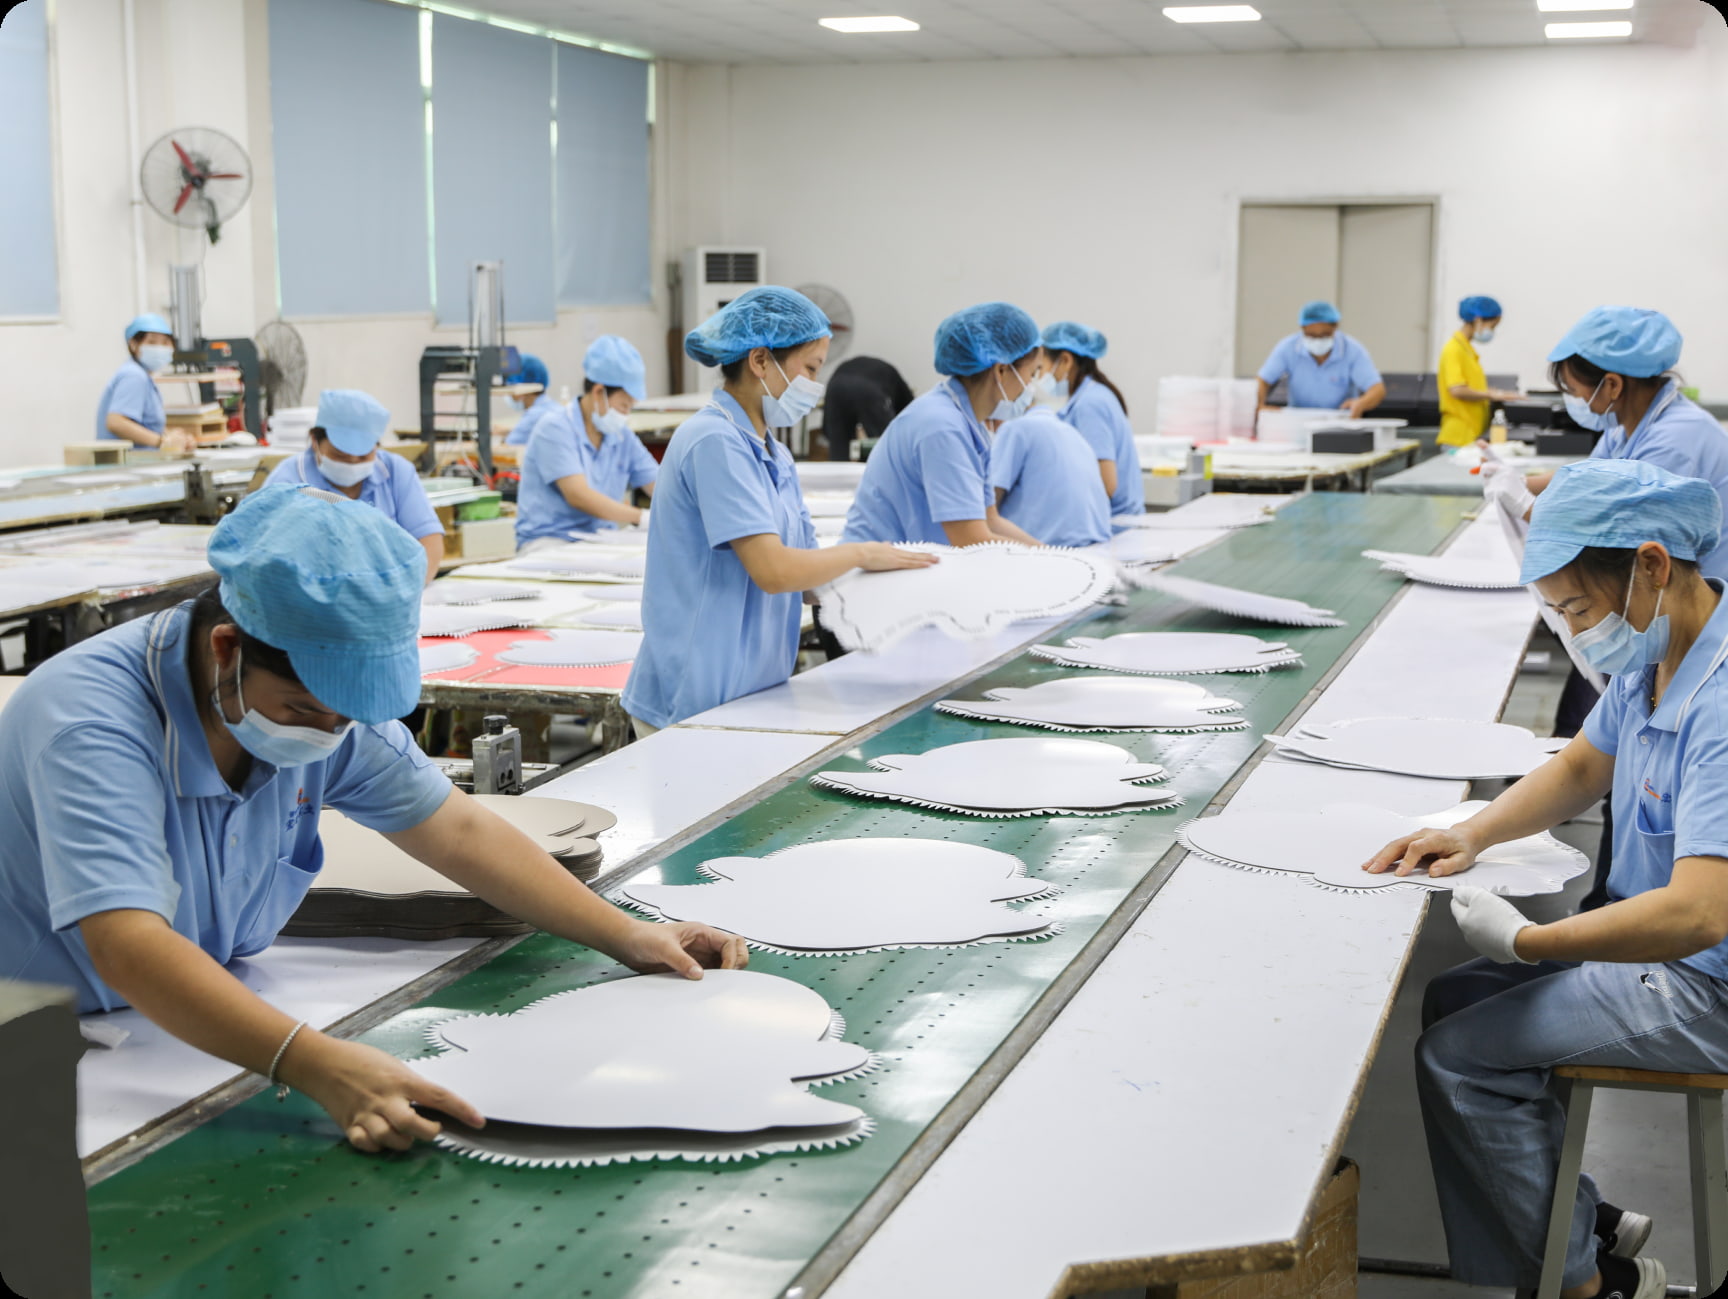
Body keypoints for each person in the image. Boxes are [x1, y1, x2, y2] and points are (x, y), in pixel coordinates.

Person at [0, 485, 746, 1153]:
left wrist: (627, 931)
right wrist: (315, 1061)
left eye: (345, 716)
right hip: (49, 1052)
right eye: (303, 710)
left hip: (191, 1035)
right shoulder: (91, 722)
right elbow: (128, 943)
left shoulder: (326, 707)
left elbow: (455, 828)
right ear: (226, 649)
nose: (327, 734)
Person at [1362, 458, 1728, 1299]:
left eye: (1577, 608)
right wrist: (1469, 831)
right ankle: (1578, 1215)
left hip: (1705, 984)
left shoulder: (1719, 698)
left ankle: (1589, 1283)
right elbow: (1579, 768)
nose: (1574, 631)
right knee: (1454, 999)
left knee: (1459, 1060)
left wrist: (1530, 940)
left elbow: (1702, 914)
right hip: (1659, 945)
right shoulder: (1659, 647)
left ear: (1652, 564)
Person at [621, 287, 936, 734]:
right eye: (809, 368)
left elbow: (807, 582)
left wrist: (901, 589)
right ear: (760, 361)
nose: (815, 385)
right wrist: (862, 555)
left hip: (751, 691)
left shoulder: (775, 455)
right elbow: (773, 571)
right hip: (693, 695)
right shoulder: (714, 441)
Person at [840, 303, 1045, 548]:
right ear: (1001, 371)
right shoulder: (942, 426)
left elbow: (990, 521)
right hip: (879, 573)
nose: (1030, 387)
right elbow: (971, 540)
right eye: (1031, 374)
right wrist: (1044, 563)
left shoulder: (969, 424)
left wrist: (1052, 556)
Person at [264, 389, 445, 584]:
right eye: (339, 455)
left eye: (363, 456)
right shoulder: (288, 481)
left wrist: (405, 590)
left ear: (377, 446)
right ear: (315, 441)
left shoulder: (396, 471)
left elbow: (429, 540)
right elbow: (268, 557)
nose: (351, 462)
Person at [515, 337, 657, 551]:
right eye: (623, 405)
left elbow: (658, 484)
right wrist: (642, 517)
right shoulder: (554, 428)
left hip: (601, 541)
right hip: (551, 542)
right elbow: (579, 496)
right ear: (599, 392)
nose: (626, 413)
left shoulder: (621, 436)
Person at [1043, 321, 1144, 518]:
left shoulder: (1090, 404)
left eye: (1041, 367)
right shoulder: (1094, 395)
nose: (1040, 375)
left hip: (1113, 526)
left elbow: (1106, 485)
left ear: (1065, 360)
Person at [989, 403, 1113, 549]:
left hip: (1048, 551)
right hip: (1098, 548)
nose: (990, 428)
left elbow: (987, 504)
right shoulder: (1073, 433)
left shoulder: (1015, 428)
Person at [1255, 300, 1386, 418]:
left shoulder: (1352, 350)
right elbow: (1263, 380)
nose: (1318, 341)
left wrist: (1361, 403)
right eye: (1311, 336)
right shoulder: (1288, 348)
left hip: (1340, 423)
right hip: (1298, 423)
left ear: (1335, 328)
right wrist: (1258, 404)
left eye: (1324, 336)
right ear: (1302, 328)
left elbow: (1377, 389)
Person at [96, 314, 195, 452]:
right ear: (134, 344)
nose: (160, 348)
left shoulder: (143, 376)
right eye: (152, 342)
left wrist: (172, 437)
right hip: (128, 466)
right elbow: (116, 422)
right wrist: (162, 442)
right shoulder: (134, 376)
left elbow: (146, 425)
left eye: (165, 343)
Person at [1437, 295, 1524, 448]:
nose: (1492, 331)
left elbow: (1470, 387)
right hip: (1458, 437)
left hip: (1471, 434)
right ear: (1478, 320)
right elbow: (1457, 390)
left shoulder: (1466, 350)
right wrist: (1492, 395)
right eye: (1492, 326)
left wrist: (1495, 393)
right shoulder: (1453, 349)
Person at [818, 356, 914, 462]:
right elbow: (908, 417)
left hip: (835, 387)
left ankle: (838, 476)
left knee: (839, 448)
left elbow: (829, 428)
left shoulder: (886, 373)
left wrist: (829, 432)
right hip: (866, 389)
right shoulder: (904, 395)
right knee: (886, 444)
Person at [502, 353, 555, 446]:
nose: (509, 395)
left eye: (510, 387)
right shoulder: (552, 408)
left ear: (520, 389)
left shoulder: (533, 416)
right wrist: (508, 431)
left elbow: (507, 449)